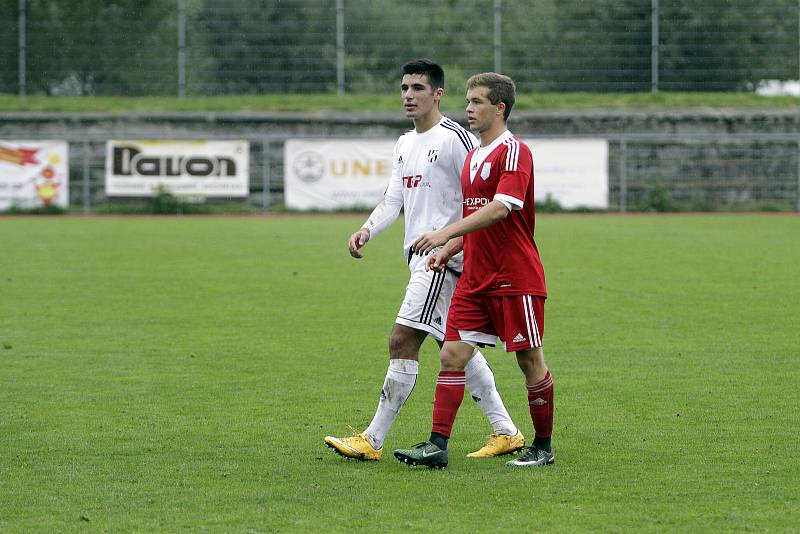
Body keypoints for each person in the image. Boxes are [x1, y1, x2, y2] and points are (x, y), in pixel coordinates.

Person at [324, 60, 524, 461]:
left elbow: (482, 192)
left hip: (442, 261)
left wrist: (458, 243)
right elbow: (394, 197)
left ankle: (372, 439)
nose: (408, 95)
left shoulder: (455, 138)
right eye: (404, 88)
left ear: (437, 94)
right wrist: (367, 229)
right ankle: (506, 431)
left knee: (402, 338)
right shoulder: (404, 143)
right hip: (420, 259)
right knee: (453, 346)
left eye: (417, 88)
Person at [394, 72, 554, 469]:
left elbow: (500, 209)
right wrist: (450, 249)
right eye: (467, 101)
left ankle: (543, 447)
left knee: (529, 360)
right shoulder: (474, 157)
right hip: (475, 278)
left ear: (499, 107)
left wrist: (444, 232)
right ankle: (436, 445)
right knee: (451, 355)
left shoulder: (514, 151)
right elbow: (474, 216)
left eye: (477, 101)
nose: (468, 108)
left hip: (514, 277)